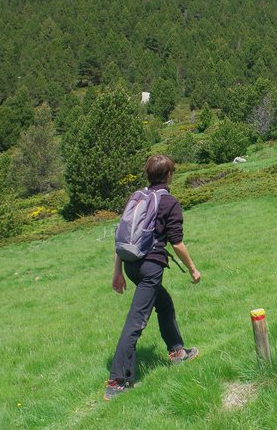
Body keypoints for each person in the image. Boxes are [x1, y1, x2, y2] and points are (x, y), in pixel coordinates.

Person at [105, 154, 202, 401]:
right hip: (150, 267)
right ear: (168, 175)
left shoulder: (137, 197)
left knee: (164, 303)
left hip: (131, 265)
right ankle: (117, 380)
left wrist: (117, 272)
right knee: (136, 321)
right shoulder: (169, 202)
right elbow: (177, 243)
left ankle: (177, 351)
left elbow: (122, 236)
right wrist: (192, 269)